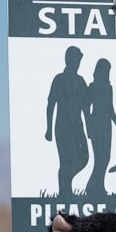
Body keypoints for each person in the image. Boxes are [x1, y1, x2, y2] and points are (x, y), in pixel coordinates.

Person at [45, 46, 89, 197]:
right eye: (75, 59)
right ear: (69, 59)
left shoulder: (80, 80)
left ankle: (66, 184)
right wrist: (49, 129)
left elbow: (85, 106)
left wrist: (90, 128)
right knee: (65, 161)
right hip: (62, 127)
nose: (77, 62)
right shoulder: (59, 79)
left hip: (78, 126)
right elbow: (51, 104)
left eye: (79, 60)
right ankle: (65, 192)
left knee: (84, 157)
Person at [85, 58, 116, 195]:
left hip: (107, 125)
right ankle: (91, 187)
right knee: (99, 158)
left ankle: (98, 186)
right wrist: (89, 126)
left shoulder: (108, 87)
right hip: (96, 124)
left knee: (106, 158)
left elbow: (110, 108)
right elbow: (86, 108)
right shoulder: (92, 87)